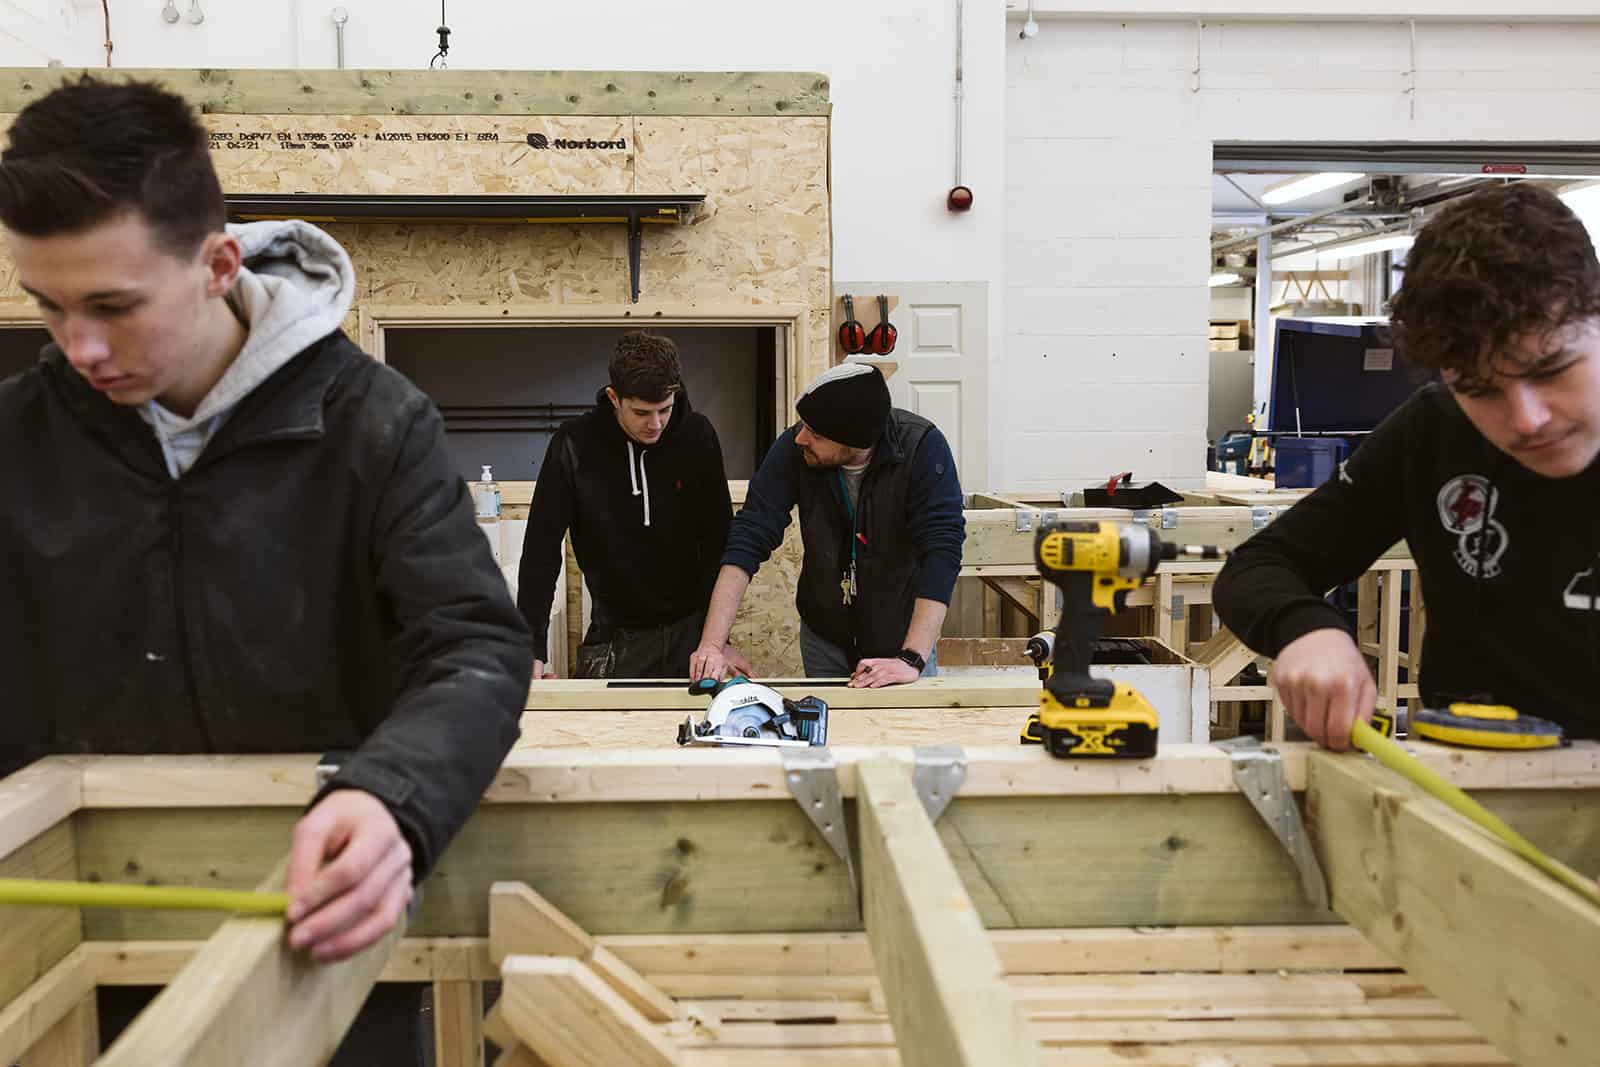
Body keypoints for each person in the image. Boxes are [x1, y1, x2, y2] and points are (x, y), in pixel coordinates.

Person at [0, 76, 532, 1062]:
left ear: (216, 262)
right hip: (63, 956)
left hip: (320, 943)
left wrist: (390, 796)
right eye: (47, 305)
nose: (77, 347)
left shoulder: (373, 425)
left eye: (113, 306)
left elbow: (473, 642)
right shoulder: (17, 441)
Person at [1214, 182, 1600, 750]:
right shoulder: (1435, 430)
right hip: (1468, 790)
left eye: (1550, 371)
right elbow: (1260, 566)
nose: (1526, 419)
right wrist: (1307, 630)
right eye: (1479, 389)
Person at [689, 363, 966, 687]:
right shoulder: (794, 448)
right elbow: (749, 536)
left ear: (856, 441)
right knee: (830, 733)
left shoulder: (921, 448)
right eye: (803, 425)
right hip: (825, 634)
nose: (801, 438)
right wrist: (712, 645)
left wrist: (912, 658)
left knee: (901, 733)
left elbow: (941, 553)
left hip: (900, 639)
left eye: (816, 433)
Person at [516, 330, 745, 678]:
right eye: (641, 412)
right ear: (614, 397)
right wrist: (530, 649)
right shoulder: (575, 443)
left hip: (691, 634)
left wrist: (717, 639)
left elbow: (719, 543)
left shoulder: (697, 436)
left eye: (665, 410)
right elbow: (541, 550)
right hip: (614, 637)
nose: (655, 425)